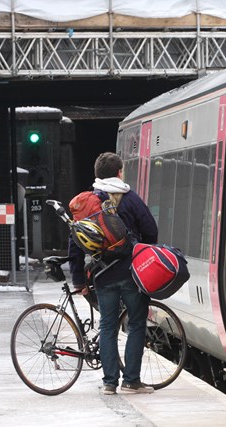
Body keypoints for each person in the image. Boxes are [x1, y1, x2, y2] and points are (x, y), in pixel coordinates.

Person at [68, 152, 158, 395]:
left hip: (102, 274)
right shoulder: (130, 199)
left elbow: (75, 241)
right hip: (131, 273)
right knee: (137, 323)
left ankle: (109, 382)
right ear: (119, 173)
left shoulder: (88, 202)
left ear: (97, 175)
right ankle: (131, 380)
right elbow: (151, 231)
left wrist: (78, 278)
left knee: (108, 325)